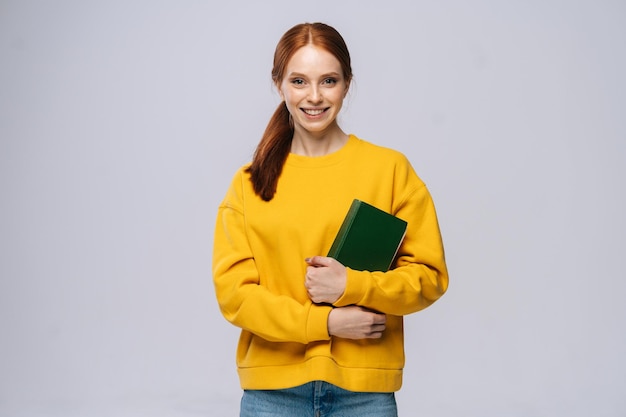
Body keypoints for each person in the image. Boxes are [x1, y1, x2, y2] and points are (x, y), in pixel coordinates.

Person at [212, 22, 448, 417]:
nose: (315, 96)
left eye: (329, 81)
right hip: (273, 394)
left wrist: (352, 285)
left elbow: (429, 276)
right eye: (300, 81)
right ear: (279, 84)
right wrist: (327, 323)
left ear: (347, 83)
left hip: (364, 394)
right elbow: (235, 296)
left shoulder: (388, 170)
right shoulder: (249, 183)